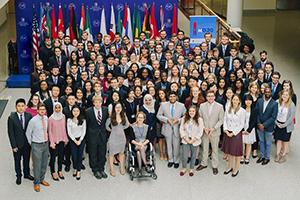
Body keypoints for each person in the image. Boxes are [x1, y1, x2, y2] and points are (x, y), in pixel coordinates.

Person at [197, 90, 224, 175]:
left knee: (215, 149)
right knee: (204, 148)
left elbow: (221, 120)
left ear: (214, 97)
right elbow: (199, 118)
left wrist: (213, 128)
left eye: (212, 96)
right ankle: (204, 163)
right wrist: (204, 128)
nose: (210, 97)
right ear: (206, 97)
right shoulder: (202, 105)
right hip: (205, 131)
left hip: (214, 132)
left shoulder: (220, 106)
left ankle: (215, 166)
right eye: (208, 96)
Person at [8, 98, 34, 185]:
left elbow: (31, 130)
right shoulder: (11, 117)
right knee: (17, 160)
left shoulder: (29, 116)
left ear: (25, 106)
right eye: (18, 106)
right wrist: (13, 146)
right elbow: (10, 133)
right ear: (16, 107)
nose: (21, 108)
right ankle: (18, 176)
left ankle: (27, 174)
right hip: (17, 145)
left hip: (27, 144)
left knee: (26, 160)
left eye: (22, 106)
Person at [157, 91, 186, 169]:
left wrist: (179, 120)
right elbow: (158, 115)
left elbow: (186, 116)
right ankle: (171, 160)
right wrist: (166, 120)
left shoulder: (182, 105)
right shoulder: (163, 105)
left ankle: (176, 160)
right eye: (170, 96)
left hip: (177, 128)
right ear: (168, 97)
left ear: (176, 97)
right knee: (169, 145)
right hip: (167, 127)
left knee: (176, 145)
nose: (172, 98)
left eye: (174, 96)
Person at [25, 103, 50, 192]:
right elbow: (28, 133)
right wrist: (32, 144)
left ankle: (42, 179)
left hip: (45, 144)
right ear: (38, 110)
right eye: (41, 109)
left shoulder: (46, 118)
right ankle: (36, 183)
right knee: (37, 165)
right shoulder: (33, 120)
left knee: (44, 163)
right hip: (36, 145)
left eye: (44, 109)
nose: (42, 111)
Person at [85, 95, 109, 179]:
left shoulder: (106, 110)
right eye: (96, 102)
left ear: (102, 102)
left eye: (99, 102)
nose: (98, 104)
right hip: (92, 135)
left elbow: (107, 122)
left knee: (102, 152)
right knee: (93, 153)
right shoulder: (88, 111)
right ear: (93, 102)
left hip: (102, 135)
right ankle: (95, 170)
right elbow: (86, 125)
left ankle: (101, 168)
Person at [222, 95, 246, 177]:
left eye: (237, 99)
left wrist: (233, 133)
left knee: (236, 152)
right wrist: (225, 130)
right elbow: (224, 119)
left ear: (239, 101)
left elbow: (242, 124)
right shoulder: (228, 108)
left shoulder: (242, 111)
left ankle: (236, 168)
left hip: (236, 134)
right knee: (229, 152)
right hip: (227, 132)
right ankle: (230, 166)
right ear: (231, 100)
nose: (235, 101)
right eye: (233, 99)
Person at [256, 86, 278, 165]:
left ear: (271, 93)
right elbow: (257, 113)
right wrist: (259, 123)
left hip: (268, 127)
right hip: (259, 126)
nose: (267, 93)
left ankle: (267, 157)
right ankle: (262, 156)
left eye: (269, 92)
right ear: (264, 92)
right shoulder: (260, 101)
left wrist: (264, 125)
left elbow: (273, 117)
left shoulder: (275, 103)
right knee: (261, 142)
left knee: (268, 143)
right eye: (266, 92)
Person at [106, 103, 129, 176]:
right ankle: (111, 169)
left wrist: (121, 129)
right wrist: (112, 130)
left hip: (122, 138)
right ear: (114, 109)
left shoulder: (124, 116)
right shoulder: (111, 117)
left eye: (119, 107)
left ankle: (122, 167)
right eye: (116, 107)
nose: (118, 109)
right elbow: (106, 126)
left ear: (121, 108)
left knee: (121, 153)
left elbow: (127, 125)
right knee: (111, 154)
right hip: (113, 138)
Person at [179, 106, 204, 177]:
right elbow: (181, 129)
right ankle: (184, 168)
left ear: (196, 112)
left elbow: (200, 131)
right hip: (185, 140)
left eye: (193, 111)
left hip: (195, 141)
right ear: (188, 111)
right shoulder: (184, 118)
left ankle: (191, 169)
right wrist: (185, 138)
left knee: (193, 156)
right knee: (185, 155)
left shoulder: (199, 120)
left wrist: (194, 139)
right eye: (190, 111)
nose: (191, 112)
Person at [48, 102, 68, 181]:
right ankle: (53, 171)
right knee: (53, 157)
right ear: (53, 108)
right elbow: (49, 131)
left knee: (60, 156)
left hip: (62, 140)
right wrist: (52, 142)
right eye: (56, 108)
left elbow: (64, 128)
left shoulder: (63, 117)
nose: (57, 109)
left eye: (59, 108)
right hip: (54, 141)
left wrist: (65, 138)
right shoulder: (51, 118)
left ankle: (60, 170)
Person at [274, 91, 296, 163]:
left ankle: (283, 156)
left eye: (287, 95)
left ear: (289, 96)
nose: (285, 96)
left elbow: (291, 117)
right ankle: (277, 154)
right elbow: (274, 113)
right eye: (283, 94)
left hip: (287, 126)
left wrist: (284, 125)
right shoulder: (277, 102)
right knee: (278, 140)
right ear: (281, 95)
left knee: (285, 141)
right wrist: (276, 123)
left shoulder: (292, 104)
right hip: (278, 124)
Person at [67, 105, 86, 180]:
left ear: (79, 111)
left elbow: (84, 131)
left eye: (77, 111)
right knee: (74, 155)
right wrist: (75, 140)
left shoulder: (83, 120)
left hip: (81, 139)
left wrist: (80, 140)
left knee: (80, 155)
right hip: (73, 140)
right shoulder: (69, 120)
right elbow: (69, 132)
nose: (76, 112)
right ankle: (75, 167)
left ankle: (78, 170)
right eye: (74, 111)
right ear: (72, 112)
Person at [241, 95, 257, 164]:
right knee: (242, 143)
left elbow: (254, 121)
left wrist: (248, 130)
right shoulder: (241, 109)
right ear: (244, 101)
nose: (248, 101)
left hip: (250, 128)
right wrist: (242, 129)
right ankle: (241, 156)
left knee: (248, 143)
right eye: (246, 100)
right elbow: (239, 120)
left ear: (252, 101)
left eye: (249, 100)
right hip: (242, 128)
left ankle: (247, 157)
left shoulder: (254, 109)